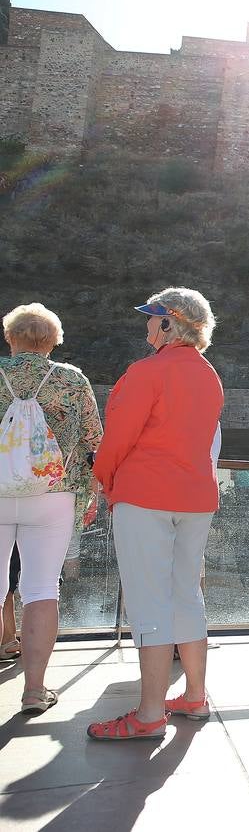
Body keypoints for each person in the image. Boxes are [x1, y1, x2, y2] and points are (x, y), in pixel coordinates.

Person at [86, 290, 221, 739]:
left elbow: (117, 440)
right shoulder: (209, 376)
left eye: (151, 318)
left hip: (146, 496)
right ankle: (195, 696)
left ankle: (148, 715)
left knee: (148, 601)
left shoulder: (146, 373)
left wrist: (102, 481)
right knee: (187, 594)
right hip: (196, 498)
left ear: (170, 324)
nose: (146, 326)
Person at [0, 304, 102, 716]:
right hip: (54, 493)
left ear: (11, 338)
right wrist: (92, 492)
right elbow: (95, 438)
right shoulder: (71, 380)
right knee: (42, 589)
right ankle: (34, 690)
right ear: (54, 341)